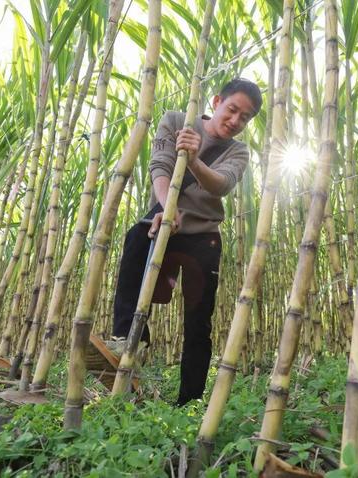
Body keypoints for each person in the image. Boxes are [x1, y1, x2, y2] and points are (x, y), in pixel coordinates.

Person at [92, 78, 262, 406]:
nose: (235, 121)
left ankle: (190, 401)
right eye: (232, 110)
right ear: (216, 101)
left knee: (199, 319)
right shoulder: (175, 121)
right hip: (163, 216)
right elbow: (160, 166)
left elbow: (221, 185)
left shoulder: (238, 151)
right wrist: (166, 209)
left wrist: (195, 158)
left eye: (245, 118)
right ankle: (128, 347)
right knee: (135, 242)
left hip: (203, 236)